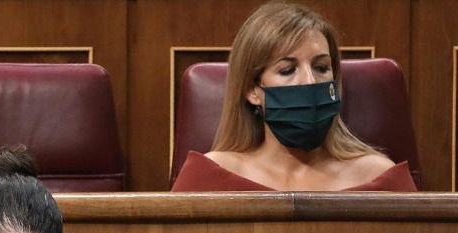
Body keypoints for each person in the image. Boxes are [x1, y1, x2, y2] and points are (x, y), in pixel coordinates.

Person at [171, 2, 417, 192]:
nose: (310, 82)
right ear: (252, 90)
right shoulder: (209, 177)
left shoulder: (381, 180)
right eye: (287, 70)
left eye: (321, 68)